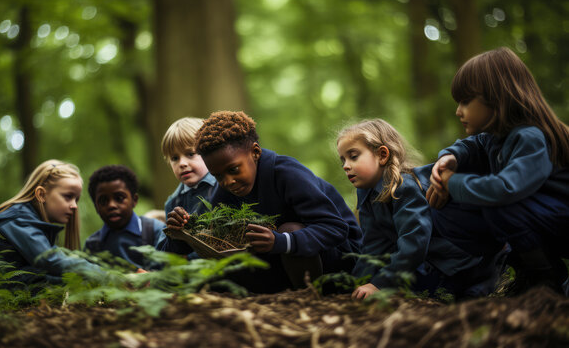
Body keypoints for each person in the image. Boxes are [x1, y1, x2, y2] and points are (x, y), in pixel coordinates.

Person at [163, 111, 362, 293]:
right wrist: (182, 232)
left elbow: (336, 229)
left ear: (255, 152)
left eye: (233, 170)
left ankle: (309, 300)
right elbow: (210, 242)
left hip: (338, 259)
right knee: (219, 277)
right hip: (279, 263)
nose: (228, 181)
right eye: (218, 175)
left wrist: (280, 241)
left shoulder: (288, 174)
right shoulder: (223, 191)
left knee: (290, 229)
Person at [427, 47, 569, 295]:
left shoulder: (530, 136)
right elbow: (474, 145)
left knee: (499, 202)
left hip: (561, 222)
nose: (458, 111)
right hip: (537, 218)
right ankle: (515, 263)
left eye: (465, 101)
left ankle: (545, 278)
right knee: (442, 207)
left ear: (497, 97)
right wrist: (450, 157)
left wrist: (453, 182)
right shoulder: (495, 137)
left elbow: (506, 189)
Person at [337, 119, 504, 300]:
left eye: (353, 156)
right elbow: (373, 248)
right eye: (343, 160)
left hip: (460, 264)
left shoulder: (403, 187)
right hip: (433, 264)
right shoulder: (368, 197)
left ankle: (487, 279)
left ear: (382, 155)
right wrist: (354, 286)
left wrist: (379, 283)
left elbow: (414, 243)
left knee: (441, 297)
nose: (346, 166)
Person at [0, 159, 101, 284]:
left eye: (77, 199)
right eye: (68, 196)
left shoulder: (32, 225)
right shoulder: (19, 220)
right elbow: (50, 261)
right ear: (41, 194)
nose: (75, 206)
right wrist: (107, 277)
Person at [84, 165, 166, 270]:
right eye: (103, 201)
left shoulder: (157, 232)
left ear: (134, 200)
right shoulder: (92, 245)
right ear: (96, 207)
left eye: (119, 198)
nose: (111, 205)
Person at [162, 117, 218, 217]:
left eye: (191, 154)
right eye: (175, 158)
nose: (182, 163)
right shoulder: (172, 204)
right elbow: (168, 232)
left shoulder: (223, 187)